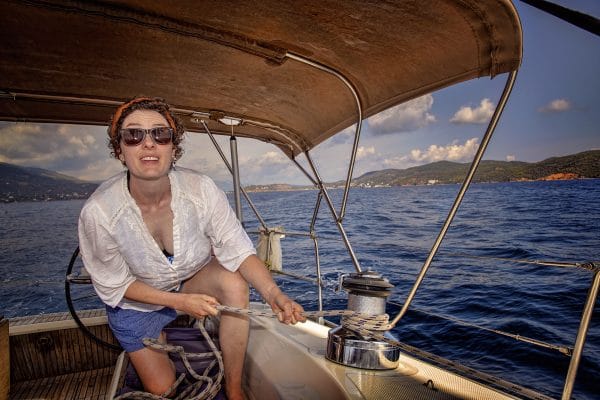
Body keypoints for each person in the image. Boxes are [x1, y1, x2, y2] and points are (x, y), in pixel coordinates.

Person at [78, 96, 305, 400]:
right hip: (137, 303)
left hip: (188, 278)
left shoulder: (201, 190)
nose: (148, 144)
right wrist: (180, 302)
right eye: (134, 135)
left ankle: (233, 388)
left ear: (174, 148)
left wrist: (275, 294)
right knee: (163, 389)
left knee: (233, 282)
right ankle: (153, 342)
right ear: (119, 150)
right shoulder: (99, 212)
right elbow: (114, 286)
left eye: (160, 134)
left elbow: (237, 249)